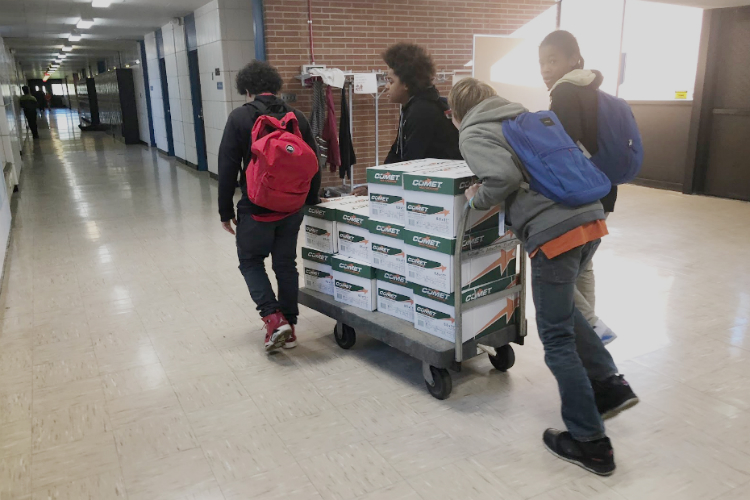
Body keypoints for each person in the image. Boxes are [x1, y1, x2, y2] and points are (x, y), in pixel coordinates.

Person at [449, 78, 638, 476]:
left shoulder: (474, 131)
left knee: (555, 337)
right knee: (565, 307)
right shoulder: (525, 116)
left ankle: (590, 443)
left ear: (456, 113)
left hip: (556, 233)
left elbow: (499, 178)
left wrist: (474, 199)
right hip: (591, 216)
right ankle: (609, 385)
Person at [218, 61, 321, 352]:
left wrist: (225, 211)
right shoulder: (296, 116)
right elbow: (313, 162)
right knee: (285, 264)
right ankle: (289, 325)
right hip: (292, 207)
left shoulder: (239, 117)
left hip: (256, 206)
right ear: (275, 86)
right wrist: (310, 199)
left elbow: (227, 166)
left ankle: (274, 320)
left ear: (246, 89)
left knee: (251, 261)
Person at [539, 30, 617, 345]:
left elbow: (563, 147)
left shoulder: (566, 92)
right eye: (542, 62)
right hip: (605, 188)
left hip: (581, 193)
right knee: (583, 264)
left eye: (552, 61)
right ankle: (590, 331)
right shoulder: (592, 88)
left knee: (559, 270)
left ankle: (592, 326)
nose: (545, 69)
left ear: (573, 59)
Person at [352, 42, 461, 195]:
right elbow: (397, 151)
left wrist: (379, 189)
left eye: (391, 81)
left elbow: (411, 163)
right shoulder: (413, 106)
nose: (386, 87)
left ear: (407, 84)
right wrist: (375, 185)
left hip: (439, 191)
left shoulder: (422, 111)